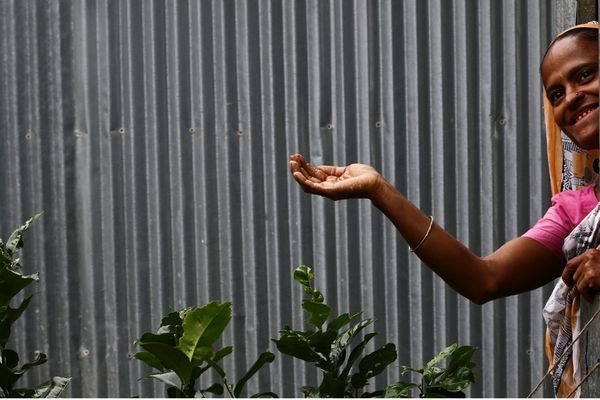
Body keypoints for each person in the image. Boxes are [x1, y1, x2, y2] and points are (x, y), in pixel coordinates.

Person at [289, 22, 599, 397]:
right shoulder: (577, 213)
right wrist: (379, 190)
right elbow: (484, 279)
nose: (571, 97)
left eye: (586, 74)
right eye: (556, 94)